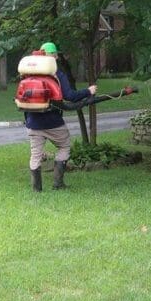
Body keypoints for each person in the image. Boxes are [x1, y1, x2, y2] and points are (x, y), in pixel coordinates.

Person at [25, 42, 97, 192]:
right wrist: (88, 91)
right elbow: (70, 96)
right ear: (52, 55)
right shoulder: (57, 74)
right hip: (54, 123)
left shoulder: (29, 73)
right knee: (64, 147)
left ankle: (36, 189)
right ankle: (58, 184)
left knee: (35, 155)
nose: (57, 57)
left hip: (33, 123)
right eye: (55, 54)